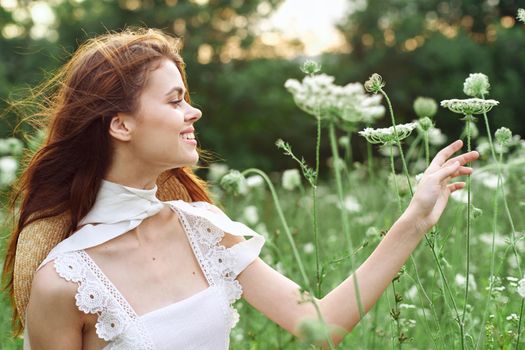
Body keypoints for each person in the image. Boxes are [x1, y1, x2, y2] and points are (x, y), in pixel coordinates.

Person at [1, 28, 479, 349]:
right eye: (175, 100)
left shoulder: (203, 229)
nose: (194, 112)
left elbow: (322, 324)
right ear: (121, 124)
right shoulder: (63, 283)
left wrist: (415, 217)